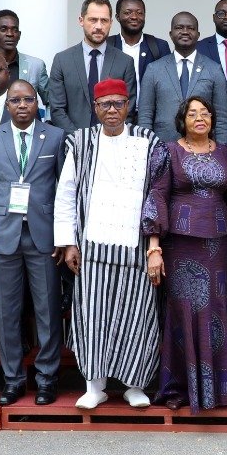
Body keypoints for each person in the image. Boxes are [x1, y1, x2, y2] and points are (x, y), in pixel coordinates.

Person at [54, 79, 167, 409]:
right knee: (93, 316)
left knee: (137, 316)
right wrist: (68, 243)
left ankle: (134, 385)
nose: (113, 110)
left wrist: (154, 246)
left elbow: (158, 195)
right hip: (92, 247)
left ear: (129, 105)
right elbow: (66, 194)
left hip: (135, 247)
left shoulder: (147, 140)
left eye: (118, 104)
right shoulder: (81, 141)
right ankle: (94, 386)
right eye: (106, 105)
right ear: (95, 108)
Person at [143, 96, 227, 412]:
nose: (200, 118)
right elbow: (157, 196)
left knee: (214, 307)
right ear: (182, 121)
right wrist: (153, 247)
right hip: (180, 244)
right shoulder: (168, 151)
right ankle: (181, 389)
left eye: (205, 113)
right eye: (192, 114)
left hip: (218, 242)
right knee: (185, 311)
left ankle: (218, 391)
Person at [0, 80, 66, 406]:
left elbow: (63, 191)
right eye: (16, 100)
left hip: (45, 238)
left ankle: (46, 379)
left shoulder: (55, 136)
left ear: (37, 102)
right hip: (4, 238)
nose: (23, 105)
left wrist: (64, 236)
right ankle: (13, 381)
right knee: (8, 314)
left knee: (47, 313)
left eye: (29, 99)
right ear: (7, 104)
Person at [47, 0, 137, 131]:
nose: (99, 26)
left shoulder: (125, 62)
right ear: (81, 20)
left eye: (104, 21)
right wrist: (78, 139)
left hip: (112, 141)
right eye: (93, 20)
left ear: (111, 23)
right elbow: (57, 109)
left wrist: (110, 136)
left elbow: (128, 109)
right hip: (72, 141)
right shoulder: (62, 60)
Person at [139, 12, 227, 143]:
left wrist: (223, 153)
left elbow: (221, 118)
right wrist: (146, 149)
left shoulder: (214, 69)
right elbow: (145, 116)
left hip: (202, 150)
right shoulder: (154, 69)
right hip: (163, 147)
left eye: (191, 28)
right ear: (170, 34)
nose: (185, 31)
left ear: (198, 35)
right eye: (179, 28)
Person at [107, 0, 171, 106]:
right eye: (128, 12)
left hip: (150, 117)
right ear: (117, 17)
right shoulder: (107, 45)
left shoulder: (159, 46)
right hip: (115, 115)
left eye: (139, 13)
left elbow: (168, 86)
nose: (134, 16)